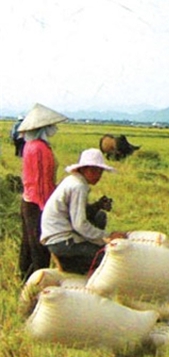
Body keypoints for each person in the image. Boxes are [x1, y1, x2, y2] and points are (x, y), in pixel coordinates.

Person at [41, 148, 127, 275]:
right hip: (62, 240)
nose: (98, 175)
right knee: (107, 257)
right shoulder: (78, 187)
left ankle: (75, 266)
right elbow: (79, 224)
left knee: (100, 216)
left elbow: (80, 214)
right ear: (83, 169)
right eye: (93, 171)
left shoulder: (73, 181)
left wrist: (98, 206)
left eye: (100, 172)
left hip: (59, 237)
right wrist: (106, 236)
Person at [17, 104, 68, 281]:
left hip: (30, 200)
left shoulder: (31, 146)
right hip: (37, 202)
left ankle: (25, 279)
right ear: (43, 128)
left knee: (28, 244)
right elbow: (40, 182)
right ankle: (39, 281)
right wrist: (46, 207)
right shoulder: (39, 148)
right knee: (39, 246)